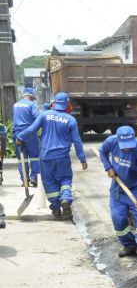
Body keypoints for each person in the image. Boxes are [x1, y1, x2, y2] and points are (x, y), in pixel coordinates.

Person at [16, 92, 87, 220]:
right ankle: (65, 198)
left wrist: (20, 137)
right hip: (62, 157)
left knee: (49, 182)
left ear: (54, 103)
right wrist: (82, 159)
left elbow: (32, 129)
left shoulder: (45, 115)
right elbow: (77, 141)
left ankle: (56, 208)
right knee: (65, 179)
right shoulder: (70, 120)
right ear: (67, 105)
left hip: (45, 157)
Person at [98, 126, 137, 261]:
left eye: (129, 145)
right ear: (118, 140)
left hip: (136, 187)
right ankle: (129, 246)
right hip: (119, 188)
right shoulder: (111, 142)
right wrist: (108, 167)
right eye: (124, 146)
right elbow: (102, 151)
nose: (127, 149)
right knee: (118, 218)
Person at [12, 87, 41, 186]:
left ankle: (25, 179)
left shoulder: (15, 105)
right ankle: (34, 177)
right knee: (34, 157)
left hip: (17, 133)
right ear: (31, 96)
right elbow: (37, 118)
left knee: (22, 158)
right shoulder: (32, 105)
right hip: (30, 133)